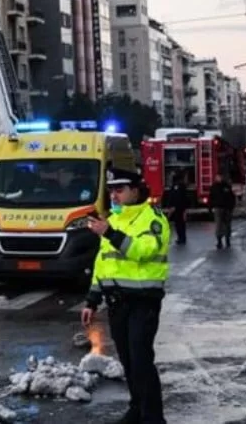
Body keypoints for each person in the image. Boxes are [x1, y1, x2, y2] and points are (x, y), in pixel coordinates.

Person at [82, 169, 170, 424]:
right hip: (117, 302)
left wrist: (109, 233)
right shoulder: (115, 220)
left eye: (119, 190)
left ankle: (153, 417)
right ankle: (137, 408)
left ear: (135, 189)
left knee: (141, 359)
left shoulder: (152, 218)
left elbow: (143, 250)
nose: (114, 195)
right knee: (129, 361)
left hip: (143, 300)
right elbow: (104, 263)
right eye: (111, 190)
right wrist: (91, 299)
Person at [161, 172, 191, 245]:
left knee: (178, 223)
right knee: (181, 224)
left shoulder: (175, 186)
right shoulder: (182, 186)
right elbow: (185, 198)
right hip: (180, 207)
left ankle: (181, 238)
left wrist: (171, 206)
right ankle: (182, 238)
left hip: (177, 208)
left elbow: (172, 197)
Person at [209, 171, 235, 249]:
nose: (219, 178)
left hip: (226, 208)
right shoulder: (213, 187)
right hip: (218, 208)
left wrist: (231, 207)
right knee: (218, 225)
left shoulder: (227, 186)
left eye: (220, 177)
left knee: (227, 225)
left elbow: (231, 197)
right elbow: (211, 198)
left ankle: (227, 240)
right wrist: (210, 208)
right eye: (217, 177)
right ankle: (219, 241)